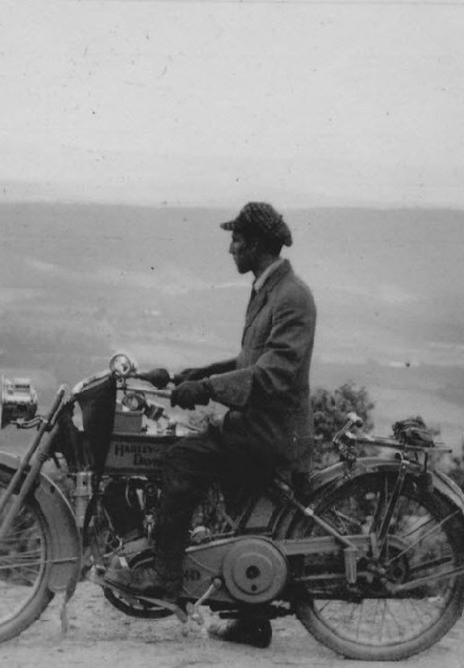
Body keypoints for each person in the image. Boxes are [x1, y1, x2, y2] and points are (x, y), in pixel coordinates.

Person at [104, 201, 317, 648]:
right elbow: (247, 361)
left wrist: (205, 389)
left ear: (255, 244)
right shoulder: (270, 289)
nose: (230, 248)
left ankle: (164, 578)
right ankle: (251, 619)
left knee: (181, 459)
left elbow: (272, 374)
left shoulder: (291, 297)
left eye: (236, 239)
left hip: (270, 432)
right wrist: (196, 376)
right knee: (245, 517)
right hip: (259, 425)